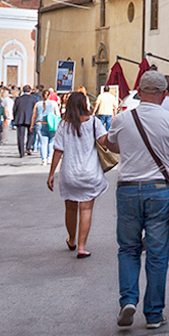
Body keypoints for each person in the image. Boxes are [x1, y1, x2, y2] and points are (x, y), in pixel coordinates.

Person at [100, 70, 169, 330]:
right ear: (164, 94)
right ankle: (153, 314)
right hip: (160, 190)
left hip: (128, 189)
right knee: (157, 253)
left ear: (139, 92)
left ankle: (128, 300)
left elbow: (112, 145)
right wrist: (164, 161)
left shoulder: (123, 119)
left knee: (128, 249)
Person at [47, 90, 108, 258]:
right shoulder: (94, 123)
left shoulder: (64, 124)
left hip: (70, 173)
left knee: (71, 209)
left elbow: (58, 151)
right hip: (90, 173)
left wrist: (51, 174)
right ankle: (82, 247)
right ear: (84, 105)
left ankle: (72, 239)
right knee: (86, 209)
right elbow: (105, 142)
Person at [34, 90, 61, 163]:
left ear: (41, 96)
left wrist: (31, 125)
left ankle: (43, 159)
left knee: (43, 143)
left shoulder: (37, 104)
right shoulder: (54, 103)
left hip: (40, 124)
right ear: (49, 96)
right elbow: (58, 115)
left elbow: (34, 116)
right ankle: (50, 157)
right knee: (51, 142)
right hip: (51, 124)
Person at [13, 87, 38, 158]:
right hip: (30, 118)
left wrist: (15, 118)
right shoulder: (33, 99)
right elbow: (35, 110)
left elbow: (14, 109)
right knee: (31, 134)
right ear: (30, 91)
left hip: (20, 119)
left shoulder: (18, 99)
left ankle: (21, 152)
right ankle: (28, 146)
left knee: (20, 136)